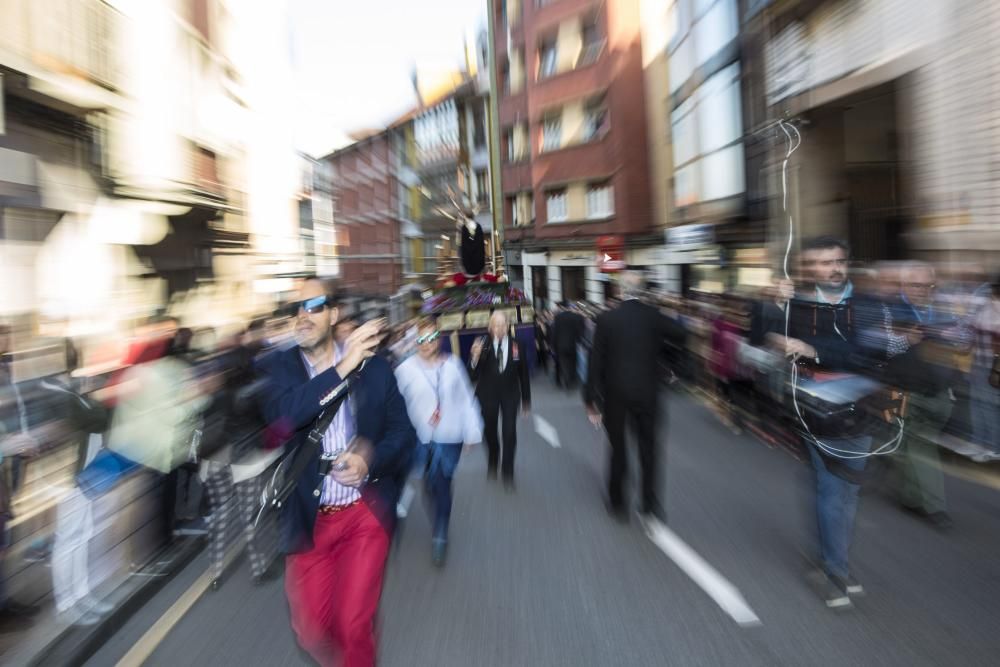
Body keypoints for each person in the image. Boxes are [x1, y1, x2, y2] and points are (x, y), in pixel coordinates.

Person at [257, 277, 414, 667]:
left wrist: (369, 459)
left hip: (364, 513)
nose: (301, 316)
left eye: (313, 305)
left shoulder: (375, 369)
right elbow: (285, 418)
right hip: (309, 520)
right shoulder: (278, 368)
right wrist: (343, 367)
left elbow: (403, 433)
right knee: (311, 631)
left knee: (353, 625)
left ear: (334, 313)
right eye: (293, 309)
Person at [781, 236, 874, 609]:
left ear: (846, 263)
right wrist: (772, 306)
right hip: (817, 412)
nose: (832, 268)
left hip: (862, 411)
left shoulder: (866, 305)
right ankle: (836, 569)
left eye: (837, 261)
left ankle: (832, 558)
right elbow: (763, 336)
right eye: (822, 263)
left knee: (848, 493)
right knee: (829, 488)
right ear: (810, 269)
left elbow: (866, 354)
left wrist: (815, 349)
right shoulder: (796, 305)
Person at [584, 271, 686, 524]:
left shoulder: (606, 319)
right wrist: (666, 364)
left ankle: (618, 502)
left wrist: (590, 399)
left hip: (615, 394)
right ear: (641, 291)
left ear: (620, 291)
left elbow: (594, 362)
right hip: (648, 392)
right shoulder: (653, 316)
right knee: (649, 449)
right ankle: (649, 504)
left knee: (618, 449)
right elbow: (681, 334)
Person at [394, 318, 482, 566]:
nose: (425, 344)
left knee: (442, 483)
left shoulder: (453, 365)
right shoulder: (405, 370)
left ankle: (440, 532)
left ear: (438, 340)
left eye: (430, 338)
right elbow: (394, 405)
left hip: (449, 437)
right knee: (429, 485)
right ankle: (438, 519)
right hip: (419, 439)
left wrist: (471, 430)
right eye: (420, 339)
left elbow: (465, 398)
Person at [884, 262, 957, 528]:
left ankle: (911, 498)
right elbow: (880, 348)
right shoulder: (890, 310)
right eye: (916, 285)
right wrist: (906, 340)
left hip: (936, 391)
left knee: (912, 446)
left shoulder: (939, 310)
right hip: (906, 391)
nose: (923, 290)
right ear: (904, 285)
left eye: (928, 285)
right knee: (921, 448)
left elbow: (955, 347)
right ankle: (935, 507)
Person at [470, 311, 531, 490]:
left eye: (502, 324)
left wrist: (526, 400)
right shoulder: (482, 345)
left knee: (509, 433)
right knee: (489, 432)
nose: (499, 328)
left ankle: (508, 471)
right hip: (487, 396)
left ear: (508, 326)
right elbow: (472, 375)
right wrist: (474, 357)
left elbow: (524, 375)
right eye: (495, 325)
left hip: (510, 395)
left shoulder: (517, 345)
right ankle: (494, 457)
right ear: (490, 328)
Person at [552, 302, 585, 389]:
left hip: (560, 344)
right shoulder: (576, 317)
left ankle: (567, 380)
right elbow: (580, 332)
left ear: (563, 307)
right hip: (573, 344)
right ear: (570, 307)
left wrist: (553, 345)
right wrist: (579, 342)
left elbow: (555, 332)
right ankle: (571, 380)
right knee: (573, 362)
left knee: (563, 363)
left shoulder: (558, 317)